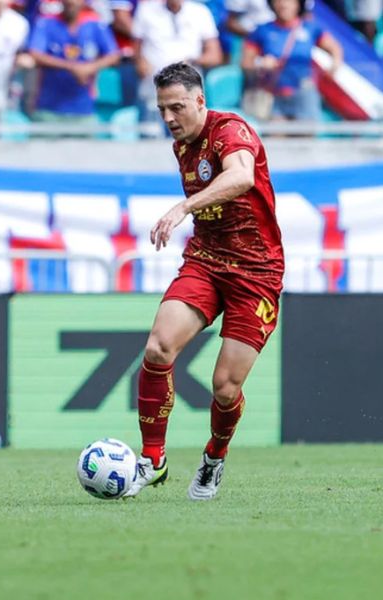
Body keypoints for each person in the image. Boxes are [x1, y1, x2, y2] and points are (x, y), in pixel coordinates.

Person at [123, 62, 284, 501]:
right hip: (207, 261)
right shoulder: (183, 144)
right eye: (161, 110)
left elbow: (241, 176)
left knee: (225, 387)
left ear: (200, 101)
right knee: (158, 347)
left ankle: (214, 455)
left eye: (177, 107)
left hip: (256, 272)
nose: (169, 118)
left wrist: (183, 208)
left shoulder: (230, 130)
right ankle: (152, 461)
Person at [242, 0, 342, 121]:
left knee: (306, 135)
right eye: (278, 1)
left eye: (289, 1)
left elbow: (334, 48)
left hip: (303, 93)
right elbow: (246, 63)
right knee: (275, 135)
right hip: (274, 95)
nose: (284, 5)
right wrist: (261, 63)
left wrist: (334, 66)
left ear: (298, 4)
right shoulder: (262, 30)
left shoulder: (310, 28)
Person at [28, 0, 120, 124]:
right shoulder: (46, 23)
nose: (71, 3)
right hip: (49, 109)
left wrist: (91, 67)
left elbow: (113, 55)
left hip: (84, 110)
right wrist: (72, 67)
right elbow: (35, 53)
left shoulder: (94, 24)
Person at [132, 0, 223, 123]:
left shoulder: (201, 12)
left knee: (189, 126)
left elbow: (214, 55)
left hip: (187, 79)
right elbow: (136, 48)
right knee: (151, 128)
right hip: (154, 80)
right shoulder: (146, 10)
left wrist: (191, 61)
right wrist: (140, 63)